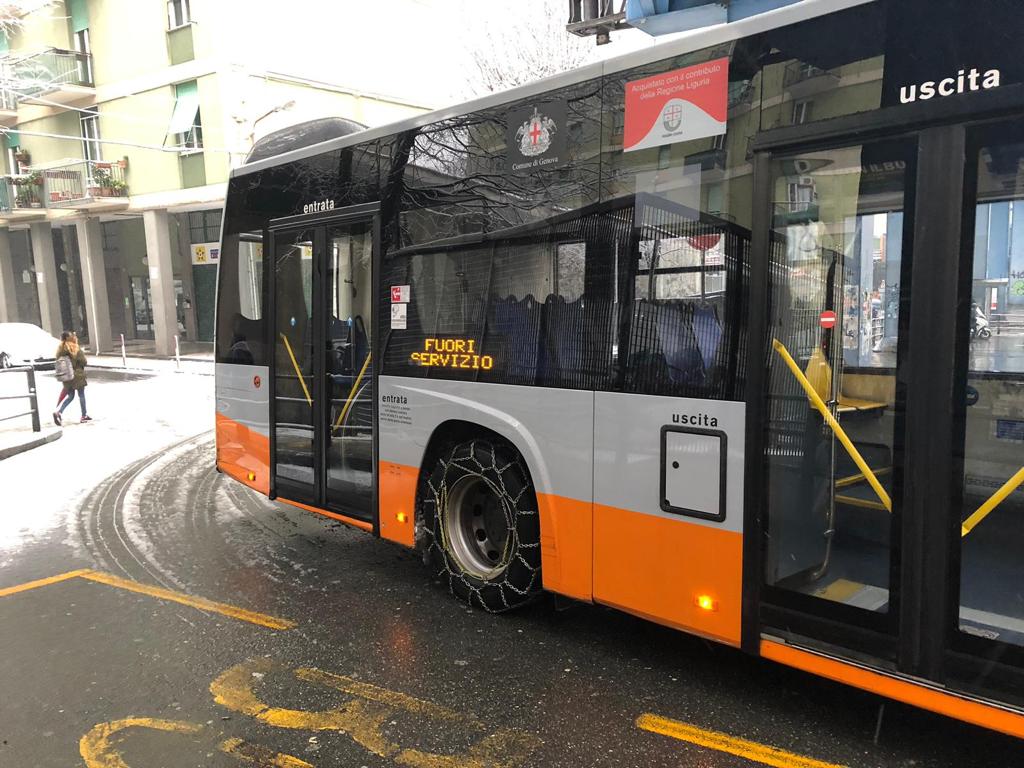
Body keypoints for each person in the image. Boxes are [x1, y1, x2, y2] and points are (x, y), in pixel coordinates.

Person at [52, 331, 90, 425]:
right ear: (69, 338)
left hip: (67, 376)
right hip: (77, 375)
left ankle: (59, 412)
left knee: (70, 396)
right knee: (81, 395)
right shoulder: (75, 348)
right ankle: (83, 415)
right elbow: (83, 361)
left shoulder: (60, 350)